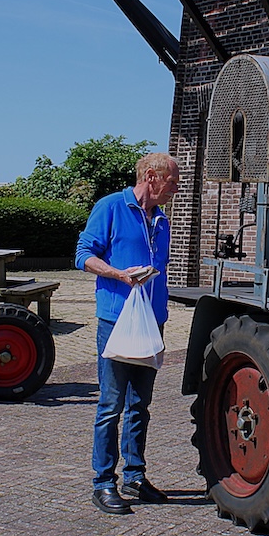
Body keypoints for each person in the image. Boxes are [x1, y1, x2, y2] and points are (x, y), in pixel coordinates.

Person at [75, 152, 181, 515]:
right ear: (151, 176)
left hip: (152, 322)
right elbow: (83, 256)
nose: (175, 189)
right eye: (172, 182)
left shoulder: (162, 221)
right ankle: (103, 482)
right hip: (117, 321)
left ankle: (134, 476)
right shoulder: (110, 207)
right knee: (111, 404)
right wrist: (120, 275)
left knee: (140, 405)